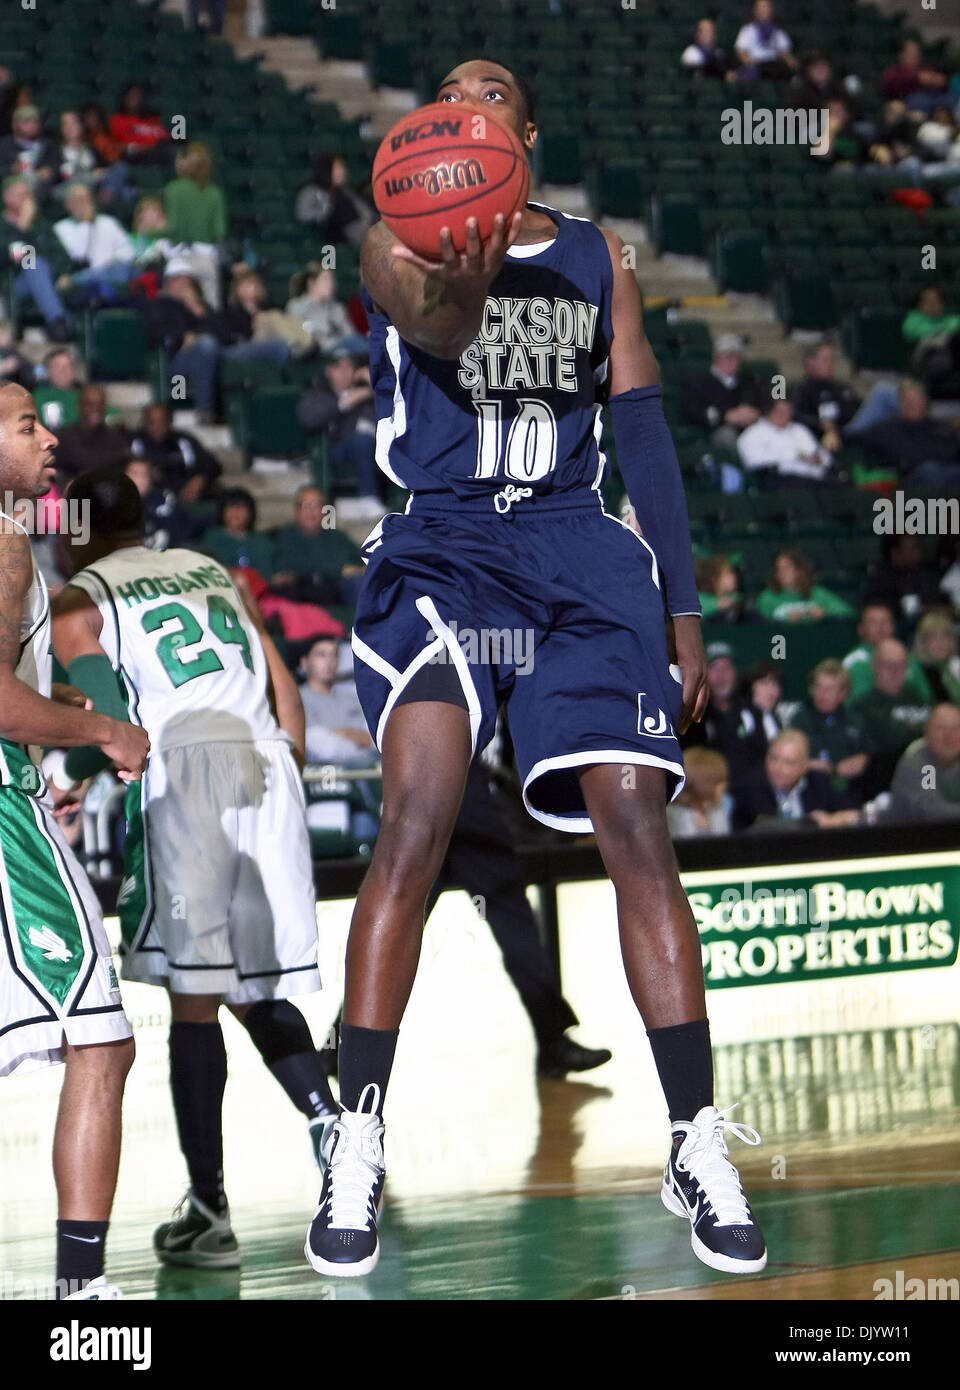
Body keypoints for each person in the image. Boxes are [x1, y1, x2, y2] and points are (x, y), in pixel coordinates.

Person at [305, 58, 766, 1281]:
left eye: (495, 90)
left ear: (525, 131)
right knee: (416, 816)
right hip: (446, 543)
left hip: (577, 544)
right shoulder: (392, 245)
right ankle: (358, 1135)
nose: (473, 102)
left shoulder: (596, 255)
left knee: (635, 824)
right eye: (453, 93)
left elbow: (646, 424)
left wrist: (680, 601)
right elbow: (446, 325)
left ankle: (689, 1137)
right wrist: (462, 274)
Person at [51, 468, 337, 1268]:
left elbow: (102, 716)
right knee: (247, 982)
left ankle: (210, 1210)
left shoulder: (81, 596)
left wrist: (65, 780)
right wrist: (283, 775)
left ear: (74, 532)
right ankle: (333, 1125)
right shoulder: (212, 569)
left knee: (195, 1000)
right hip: (269, 765)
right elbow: (285, 686)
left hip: (191, 772)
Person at [0, 383, 149, 1299]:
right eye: (24, 425)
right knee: (101, 1032)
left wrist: (56, 713)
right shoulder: (7, 540)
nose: (50, 436)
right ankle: (80, 1296)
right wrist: (100, 733)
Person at [849, 638, 932, 797]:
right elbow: (891, 740)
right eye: (888, 665)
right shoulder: (863, 706)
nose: (895, 671)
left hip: (929, 772)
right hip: (888, 781)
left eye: (900, 665)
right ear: (874, 667)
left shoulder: (920, 698)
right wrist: (922, 732)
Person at [297, 351, 380, 508]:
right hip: (334, 449)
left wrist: (372, 381)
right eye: (338, 367)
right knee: (361, 440)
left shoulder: (366, 392)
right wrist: (343, 403)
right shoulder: (318, 392)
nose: (343, 373)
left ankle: (372, 498)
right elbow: (307, 418)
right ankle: (368, 496)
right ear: (328, 370)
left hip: (373, 448)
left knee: (364, 439)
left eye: (348, 367)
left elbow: (396, 400)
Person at [731, 730, 859, 831]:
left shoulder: (817, 782)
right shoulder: (750, 786)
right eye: (773, 758)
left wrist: (833, 820)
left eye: (789, 762)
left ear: (804, 766)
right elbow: (771, 827)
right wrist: (814, 822)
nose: (778, 768)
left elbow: (854, 812)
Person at [139, 263, 222, 419]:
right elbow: (156, 335)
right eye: (178, 280)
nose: (183, 286)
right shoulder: (157, 304)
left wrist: (196, 308)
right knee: (206, 345)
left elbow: (220, 333)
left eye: (187, 281)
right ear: (167, 283)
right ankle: (204, 410)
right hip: (172, 365)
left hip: (202, 357)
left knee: (209, 346)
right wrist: (183, 337)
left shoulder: (199, 306)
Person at [851, 380, 960, 491]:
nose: (911, 404)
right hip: (910, 481)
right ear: (899, 403)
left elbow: (953, 450)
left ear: (924, 401)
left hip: (947, 470)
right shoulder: (886, 428)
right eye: (906, 400)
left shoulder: (939, 426)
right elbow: (854, 438)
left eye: (915, 399)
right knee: (931, 470)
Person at [1, 176, 72, 341]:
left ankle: (57, 323)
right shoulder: (2, 225)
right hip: (10, 285)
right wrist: (23, 227)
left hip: (47, 281)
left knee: (36, 265)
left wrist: (63, 274)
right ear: (6, 198)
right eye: (19, 195)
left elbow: (62, 255)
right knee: (34, 263)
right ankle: (58, 321)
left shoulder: (41, 224)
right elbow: (9, 256)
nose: (25, 200)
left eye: (27, 195)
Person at [787, 659, 869, 801]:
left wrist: (864, 761)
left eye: (830, 689)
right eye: (818, 687)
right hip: (812, 791)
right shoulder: (799, 720)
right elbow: (786, 760)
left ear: (843, 693)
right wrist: (808, 765)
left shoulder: (855, 719)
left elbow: (872, 755)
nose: (823, 694)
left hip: (854, 790)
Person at [271, 484, 365, 607]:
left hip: (338, 592)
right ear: (296, 510)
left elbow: (360, 559)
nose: (311, 511)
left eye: (316, 505)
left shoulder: (337, 536)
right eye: (305, 506)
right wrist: (341, 570)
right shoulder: (284, 536)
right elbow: (292, 569)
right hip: (301, 593)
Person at [162, 143, 227, 308]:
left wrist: (146, 233)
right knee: (211, 308)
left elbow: (174, 229)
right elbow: (219, 231)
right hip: (207, 257)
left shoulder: (174, 189)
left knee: (177, 308)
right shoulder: (214, 192)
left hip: (181, 257)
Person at [53, 183, 135, 306]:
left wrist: (114, 260)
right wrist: (88, 224)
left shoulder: (108, 222)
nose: (83, 202)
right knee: (94, 283)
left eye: (86, 198)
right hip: (82, 279)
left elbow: (129, 251)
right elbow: (74, 257)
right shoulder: (60, 228)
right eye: (78, 199)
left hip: (111, 273)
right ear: (68, 205)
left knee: (120, 270)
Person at [298, 634, 375, 765]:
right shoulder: (298, 699)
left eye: (334, 655)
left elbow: (375, 742)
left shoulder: (353, 698)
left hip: (363, 778)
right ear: (305, 662)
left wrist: (342, 733)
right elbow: (325, 750)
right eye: (321, 655)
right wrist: (359, 739)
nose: (329, 661)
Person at [682, 334, 765, 449]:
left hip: (749, 429)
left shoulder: (748, 381)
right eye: (728, 357)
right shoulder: (700, 383)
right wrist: (725, 415)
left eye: (736, 357)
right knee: (727, 435)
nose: (733, 361)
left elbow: (762, 403)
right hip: (717, 431)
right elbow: (694, 412)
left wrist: (753, 413)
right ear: (717, 357)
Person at [127, 402, 222, 502]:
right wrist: (147, 473)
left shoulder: (184, 440)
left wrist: (199, 478)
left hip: (185, 496)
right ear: (144, 422)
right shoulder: (133, 441)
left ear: (169, 422)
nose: (156, 427)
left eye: (161, 422)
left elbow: (214, 465)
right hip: (148, 498)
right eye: (152, 422)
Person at [843, 602, 931, 702]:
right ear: (861, 629)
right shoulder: (854, 663)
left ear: (893, 627)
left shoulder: (910, 660)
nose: (880, 627)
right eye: (873, 622)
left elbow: (926, 699)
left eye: (885, 621)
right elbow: (855, 704)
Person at [887, 704, 960, 822]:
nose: (949, 736)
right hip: (912, 837)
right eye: (941, 728)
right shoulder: (921, 761)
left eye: (956, 728)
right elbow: (930, 810)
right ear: (926, 731)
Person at [737, 399, 834, 486]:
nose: (785, 415)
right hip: (782, 480)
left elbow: (820, 454)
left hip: (817, 477)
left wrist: (820, 459)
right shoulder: (752, 434)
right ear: (769, 411)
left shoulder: (799, 429)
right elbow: (753, 462)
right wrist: (795, 455)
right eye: (780, 411)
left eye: (788, 411)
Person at [791, 342, 860, 454]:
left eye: (831, 360)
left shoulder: (842, 387)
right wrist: (820, 424)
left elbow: (859, 409)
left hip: (854, 427)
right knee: (883, 393)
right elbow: (796, 415)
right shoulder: (802, 390)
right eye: (825, 360)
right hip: (831, 433)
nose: (830, 364)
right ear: (810, 362)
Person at [286, 263, 368, 356]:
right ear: (312, 283)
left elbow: (349, 334)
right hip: (313, 351)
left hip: (339, 350)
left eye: (332, 280)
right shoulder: (297, 306)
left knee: (358, 342)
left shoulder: (337, 307)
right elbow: (295, 339)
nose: (331, 284)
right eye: (325, 279)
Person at [52, 109, 131, 205]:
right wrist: (92, 176)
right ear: (61, 129)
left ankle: (106, 195)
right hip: (71, 188)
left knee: (121, 169)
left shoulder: (90, 148)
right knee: (126, 191)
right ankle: (104, 199)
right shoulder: (55, 150)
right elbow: (57, 178)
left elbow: (106, 168)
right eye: (65, 124)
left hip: (94, 189)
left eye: (74, 122)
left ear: (81, 126)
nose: (70, 127)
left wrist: (103, 172)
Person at [863, 534, 945, 623]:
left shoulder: (927, 575)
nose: (917, 552)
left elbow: (939, 603)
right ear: (895, 553)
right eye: (913, 548)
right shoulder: (879, 580)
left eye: (917, 547)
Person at [52, 384, 129, 480]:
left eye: (100, 404)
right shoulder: (63, 437)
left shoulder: (115, 438)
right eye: (90, 404)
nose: (95, 409)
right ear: (79, 406)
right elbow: (56, 472)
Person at [755, 549, 854, 623]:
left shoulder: (818, 593)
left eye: (786, 568)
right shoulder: (767, 597)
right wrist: (785, 620)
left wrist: (825, 613)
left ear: (800, 571)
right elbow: (758, 624)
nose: (781, 573)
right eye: (778, 569)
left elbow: (848, 613)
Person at [295, 154, 373, 247]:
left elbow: (365, 211)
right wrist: (324, 212)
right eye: (338, 169)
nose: (343, 172)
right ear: (327, 170)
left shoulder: (345, 191)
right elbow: (303, 215)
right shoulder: (312, 190)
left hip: (359, 229)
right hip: (334, 235)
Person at [199, 486, 275, 577]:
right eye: (231, 507)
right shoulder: (213, 537)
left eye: (242, 507)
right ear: (222, 512)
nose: (236, 512)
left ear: (251, 513)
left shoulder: (262, 542)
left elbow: (268, 575)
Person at [902, 286, 960, 387]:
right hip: (926, 362)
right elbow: (912, 332)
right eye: (928, 301)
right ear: (920, 304)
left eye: (936, 300)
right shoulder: (913, 319)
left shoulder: (952, 319)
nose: (932, 304)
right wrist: (945, 331)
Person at [666, 746, 731, 837]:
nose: (725, 786)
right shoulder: (674, 815)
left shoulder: (718, 812)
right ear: (702, 785)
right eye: (718, 782)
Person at [0, 104, 57, 197]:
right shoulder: (4, 146)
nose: (31, 125)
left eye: (35, 122)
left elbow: (58, 166)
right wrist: (12, 169)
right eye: (26, 121)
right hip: (13, 189)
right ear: (14, 124)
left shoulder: (49, 145)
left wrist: (50, 172)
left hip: (43, 189)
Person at [734, 0, 796, 82]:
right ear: (755, 10)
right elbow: (741, 51)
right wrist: (749, 63)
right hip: (757, 64)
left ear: (772, 10)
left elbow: (785, 52)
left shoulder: (778, 31)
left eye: (766, 7)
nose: (764, 10)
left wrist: (792, 64)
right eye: (761, 7)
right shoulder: (748, 29)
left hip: (773, 65)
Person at [881, 39, 949, 114]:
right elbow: (889, 85)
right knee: (919, 101)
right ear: (901, 54)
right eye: (911, 52)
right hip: (909, 103)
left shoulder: (926, 68)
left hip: (935, 99)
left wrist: (938, 80)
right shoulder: (894, 71)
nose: (915, 55)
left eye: (917, 52)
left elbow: (942, 82)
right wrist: (917, 78)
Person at [108, 84, 171, 164]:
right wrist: (138, 148)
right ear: (124, 98)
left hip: (162, 152)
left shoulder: (151, 119)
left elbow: (166, 137)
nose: (135, 99)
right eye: (132, 95)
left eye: (138, 95)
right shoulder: (116, 119)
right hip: (136, 157)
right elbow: (114, 146)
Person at [911, 610, 960, 706]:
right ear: (922, 641)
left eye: (946, 636)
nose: (941, 642)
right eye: (933, 637)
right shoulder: (916, 669)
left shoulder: (955, 664)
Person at [33, 347, 81, 430]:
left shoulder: (85, 394)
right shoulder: (39, 396)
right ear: (48, 372)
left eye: (68, 366)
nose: (63, 370)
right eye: (57, 366)